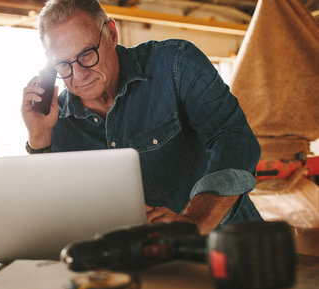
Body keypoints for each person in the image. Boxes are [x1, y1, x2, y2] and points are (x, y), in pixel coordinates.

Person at [21, 0, 262, 235]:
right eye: (63, 64)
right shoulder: (56, 120)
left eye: (86, 54)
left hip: (232, 251)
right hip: (138, 268)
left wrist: (193, 222)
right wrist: (39, 136)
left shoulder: (176, 64)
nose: (79, 74)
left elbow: (234, 139)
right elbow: (53, 213)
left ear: (112, 34)